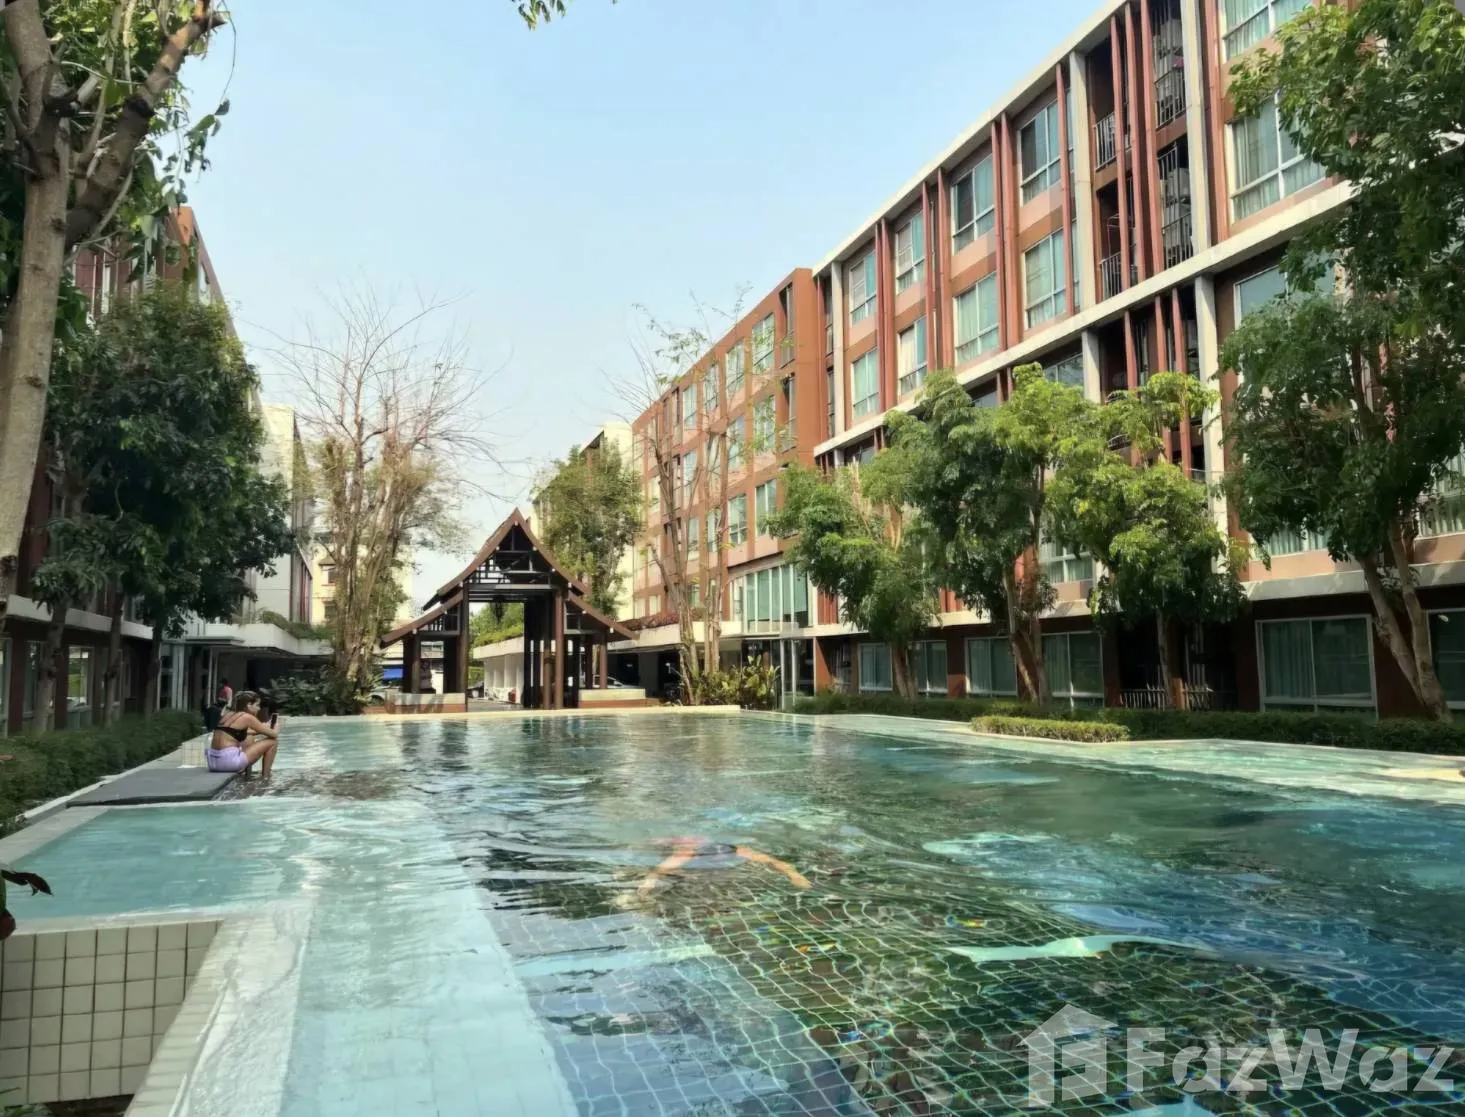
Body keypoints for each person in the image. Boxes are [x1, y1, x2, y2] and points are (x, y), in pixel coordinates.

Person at [636, 836, 812, 894]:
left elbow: (774, 861)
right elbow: (657, 870)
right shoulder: (686, 853)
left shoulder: (737, 850)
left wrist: (795, 875)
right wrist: (649, 882)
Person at [206, 690, 280, 777]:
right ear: (249, 705)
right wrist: (277, 726)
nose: (259, 708)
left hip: (213, 763)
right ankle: (266, 778)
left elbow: (233, 732)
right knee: (273, 742)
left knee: (249, 737)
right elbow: (273, 734)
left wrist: (260, 729)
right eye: (257, 705)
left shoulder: (228, 715)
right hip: (228, 763)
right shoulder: (247, 717)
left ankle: (247, 775)